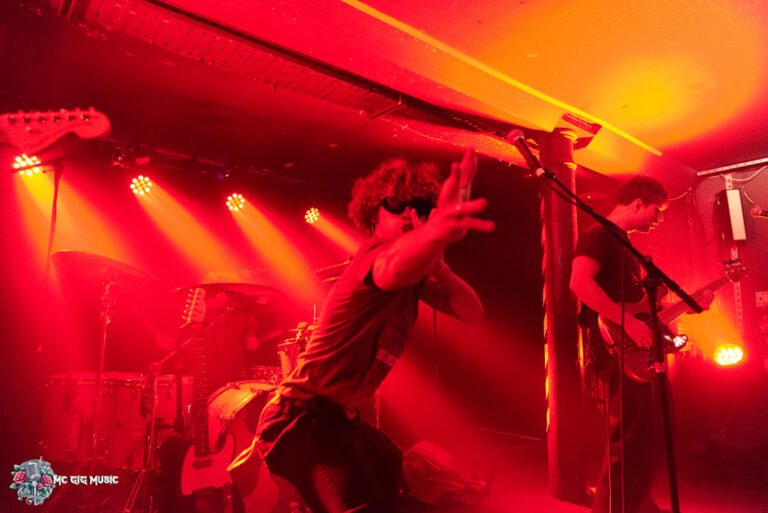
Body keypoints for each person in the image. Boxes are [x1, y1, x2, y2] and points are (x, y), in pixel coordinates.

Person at [252, 148, 494, 513]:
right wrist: (436, 234)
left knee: (406, 479)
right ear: (372, 212)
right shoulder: (374, 257)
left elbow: (471, 312)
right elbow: (391, 269)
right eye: (397, 205)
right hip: (299, 421)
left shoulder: (415, 276)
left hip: (338, 418)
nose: (409, 214)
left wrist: (440, 267)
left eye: (420, 208)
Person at [570, 176, 711, 513]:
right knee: (629, 436)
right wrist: (627, 323)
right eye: (656, 210)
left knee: (647, 434)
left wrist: (689, 305)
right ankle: (612, 507)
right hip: (615, 349)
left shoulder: (625, 245)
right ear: (637, 204)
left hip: (636, 350)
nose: (659, 219)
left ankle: (635, 502)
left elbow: (641, 308)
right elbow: (580, 283)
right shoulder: (597, 235)